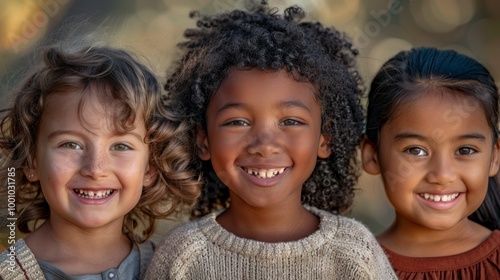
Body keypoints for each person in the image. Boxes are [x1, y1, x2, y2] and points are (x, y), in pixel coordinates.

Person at [145, 1, 397, 279]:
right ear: (203, 140)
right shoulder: (183, 255)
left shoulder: (353, 251)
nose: (264, 145)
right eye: (237, 122)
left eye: (290, 121)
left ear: (325, 139)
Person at [0, 42, 201, 279]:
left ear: (150, 167)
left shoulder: (175, 270)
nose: (95, 169)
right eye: (70, 144)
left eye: (120, 146)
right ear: (32, 161)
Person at [361, 46, 500, 279]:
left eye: (465, 150)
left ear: (494, 157)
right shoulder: (348, 267)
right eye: (415, 150)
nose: (443, 174)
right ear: (372, 155)